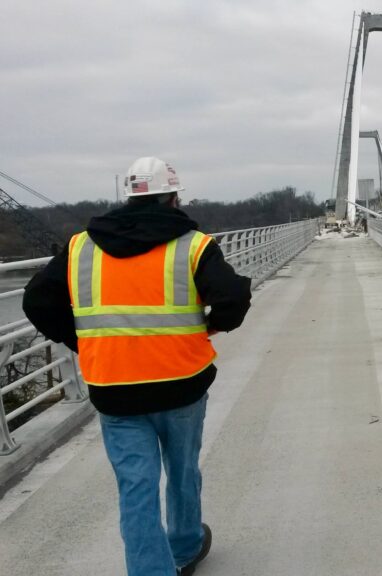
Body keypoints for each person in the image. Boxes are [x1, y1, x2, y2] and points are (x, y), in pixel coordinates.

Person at [23, 157, 252, 576]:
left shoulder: (80, 246)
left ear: (129, 197)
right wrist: (209, 327)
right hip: (181, 383)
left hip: (114, 388)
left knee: (136, 489)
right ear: (173, 197)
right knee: (182, 471)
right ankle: (184, 547)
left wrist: (83, 340)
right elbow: (233, 299)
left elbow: (37, 301)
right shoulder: (193, 244)